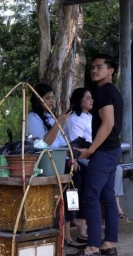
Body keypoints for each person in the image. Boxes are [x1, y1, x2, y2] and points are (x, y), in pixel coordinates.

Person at [66, 53, 123, 256]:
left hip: (105, 151)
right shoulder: (112, 92)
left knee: (90, 195)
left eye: (100, 67)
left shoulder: (103, 93)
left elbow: (108, 123)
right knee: (107, 196)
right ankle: (109, 244)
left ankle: (92, 248)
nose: (95, 70)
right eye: (93, 67)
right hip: (112, 150)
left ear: (111, 71)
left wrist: (91, 150)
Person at [63, 87, 93, 247]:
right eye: (88, 98)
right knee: (78, 179)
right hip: (75, 158)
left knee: (114, 171)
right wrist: (74, 159)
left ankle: (84, 218)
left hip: (87, 157)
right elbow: (76, 146)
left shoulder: (90, 117)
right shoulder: (74, 119)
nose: (91, 100)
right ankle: (76, 218)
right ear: (80, 101)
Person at [28, 83, 71, 147]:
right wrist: (58, 123)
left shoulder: (49, 116)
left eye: (52, 98)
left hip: (58, 154)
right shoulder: (32, 117)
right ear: (38, 100)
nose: (51, 101)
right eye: (48, 98)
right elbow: (43, 144)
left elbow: (60, 141)